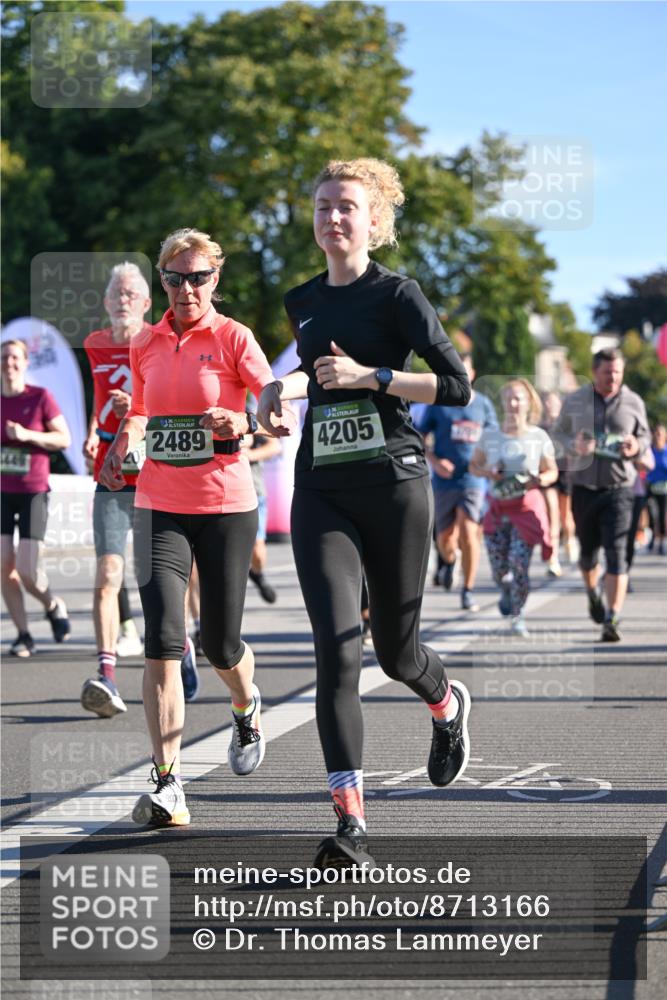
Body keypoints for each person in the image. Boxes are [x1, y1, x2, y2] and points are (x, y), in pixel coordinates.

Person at [258, 158, 472, 868]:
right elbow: (311, 372)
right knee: (336, 653)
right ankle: (350, 822)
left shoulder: (397, 294)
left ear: (373, 220)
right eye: (322, 206)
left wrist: (373, 377)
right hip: (322, 485)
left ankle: (443, 703)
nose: (332, 218)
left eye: (346, 206)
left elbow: (455, 386)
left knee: (395, 651)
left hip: (393, 483)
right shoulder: (302, 299)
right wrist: (275, 389)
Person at [100, 228, 292, 827]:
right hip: (159, 502)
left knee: (219, 644)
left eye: (199, 277)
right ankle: (166, 784)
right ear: (162, 280)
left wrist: (242, 417)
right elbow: (141, 408)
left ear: (216, 279)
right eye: (176, 278)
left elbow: (270, 405)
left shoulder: (234, 336)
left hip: (227, 506)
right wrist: (124, 440)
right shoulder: (149, 342)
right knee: (161, 639)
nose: (187, 289)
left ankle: (244, 702)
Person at [553, 349, 650, 642]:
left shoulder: (633, 402)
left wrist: (636, 446)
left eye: (618, 372)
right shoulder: (575, 400)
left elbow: (644, 437)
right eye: (608, 372)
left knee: (617, 552)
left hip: (620, 488)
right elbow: (557, 435)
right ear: (595, 372)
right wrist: (574, 446)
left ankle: (612, 616)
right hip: (583, 488)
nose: (614, 378)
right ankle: (593, 594)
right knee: (587, 555)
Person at [469, 379, 558, 638]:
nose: (513, 403)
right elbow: (473, 466)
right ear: (503, 403)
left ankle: (518, 615)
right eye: (508, 398)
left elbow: (552, 471)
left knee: (519, 564)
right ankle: (505, 588)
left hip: (526, 509)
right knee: (499, 569)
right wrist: (488, 472)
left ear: (528, 402)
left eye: (518, 398)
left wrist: (540, 479)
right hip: (497, 509)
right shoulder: (490, 435)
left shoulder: (539, 436)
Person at [1, 339, 71, 655]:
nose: (9, 363)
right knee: (3, 565)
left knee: (28, 571)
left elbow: (63, 439)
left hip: (33, 491)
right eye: (4, 357)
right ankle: (23, 635)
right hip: (2, 491)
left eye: (15, 357)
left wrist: (28, 435)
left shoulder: (40, 397)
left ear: (26, 362)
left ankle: (52, 603)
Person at [417, 353, 498, 612]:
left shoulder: (483, 404)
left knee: (468, 531)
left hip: (473, 479)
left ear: (472, 373)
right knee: (445, 541)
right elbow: (419, 436)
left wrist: (489, 461)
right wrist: (434, 460)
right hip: (444, 480)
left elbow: (494, 437)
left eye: (466, 368)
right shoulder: (438, 404)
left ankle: (468, 590)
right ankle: (449, 562)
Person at [540, 390, 577, 574]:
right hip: (547, 475)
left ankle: (570, 539)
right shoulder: (540, 428)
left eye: (553, 402)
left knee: (566, 516)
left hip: (565, 474)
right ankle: (552, 559)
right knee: (551, 516)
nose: (550, 405)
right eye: (547, 402)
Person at [245, 422, 281, 603]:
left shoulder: (246, 412)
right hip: (218, 494)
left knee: (258, 553)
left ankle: (256, 574)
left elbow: (274, 446)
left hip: (254, 493)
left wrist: (250, 454)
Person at [647, 424, 667, 554]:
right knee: (652, 515)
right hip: (650, 488)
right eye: (656, 433)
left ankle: (661, 542)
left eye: (661, 433)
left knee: (662, 516)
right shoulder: (650, 450)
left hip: (664, 489)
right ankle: (653, 538)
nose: (658, 436)